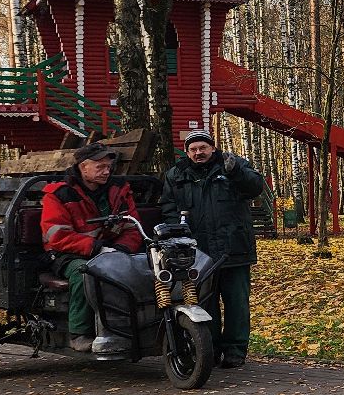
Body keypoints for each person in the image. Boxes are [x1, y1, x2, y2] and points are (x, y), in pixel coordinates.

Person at [161, 129, 266, 369]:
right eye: (194, 149)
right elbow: (168, 206)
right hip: (198, 252)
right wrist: (177, 231)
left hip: (234, 248)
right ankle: (210, 349)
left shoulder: (233, 165)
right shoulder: (176, 174)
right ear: (187, 152)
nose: (199, 153)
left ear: (212, 148)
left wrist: (236, 172)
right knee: (203, 302)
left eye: (203, 148)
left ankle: (235, 350)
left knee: (236, 302)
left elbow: (255, 187)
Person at [42, 143, 145, 352]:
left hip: (111, 250)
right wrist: (96, 248)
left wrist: (123, 249)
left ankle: (133, 326)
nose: (106, 171)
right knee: (84, 274)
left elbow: (132, 226)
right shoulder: (59, 194)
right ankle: (79, 333)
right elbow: (57, 236)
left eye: (108, 166)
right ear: (83, 167)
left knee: (142, 269)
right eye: (100, 167)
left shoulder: (118, 191)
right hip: (68, 255)